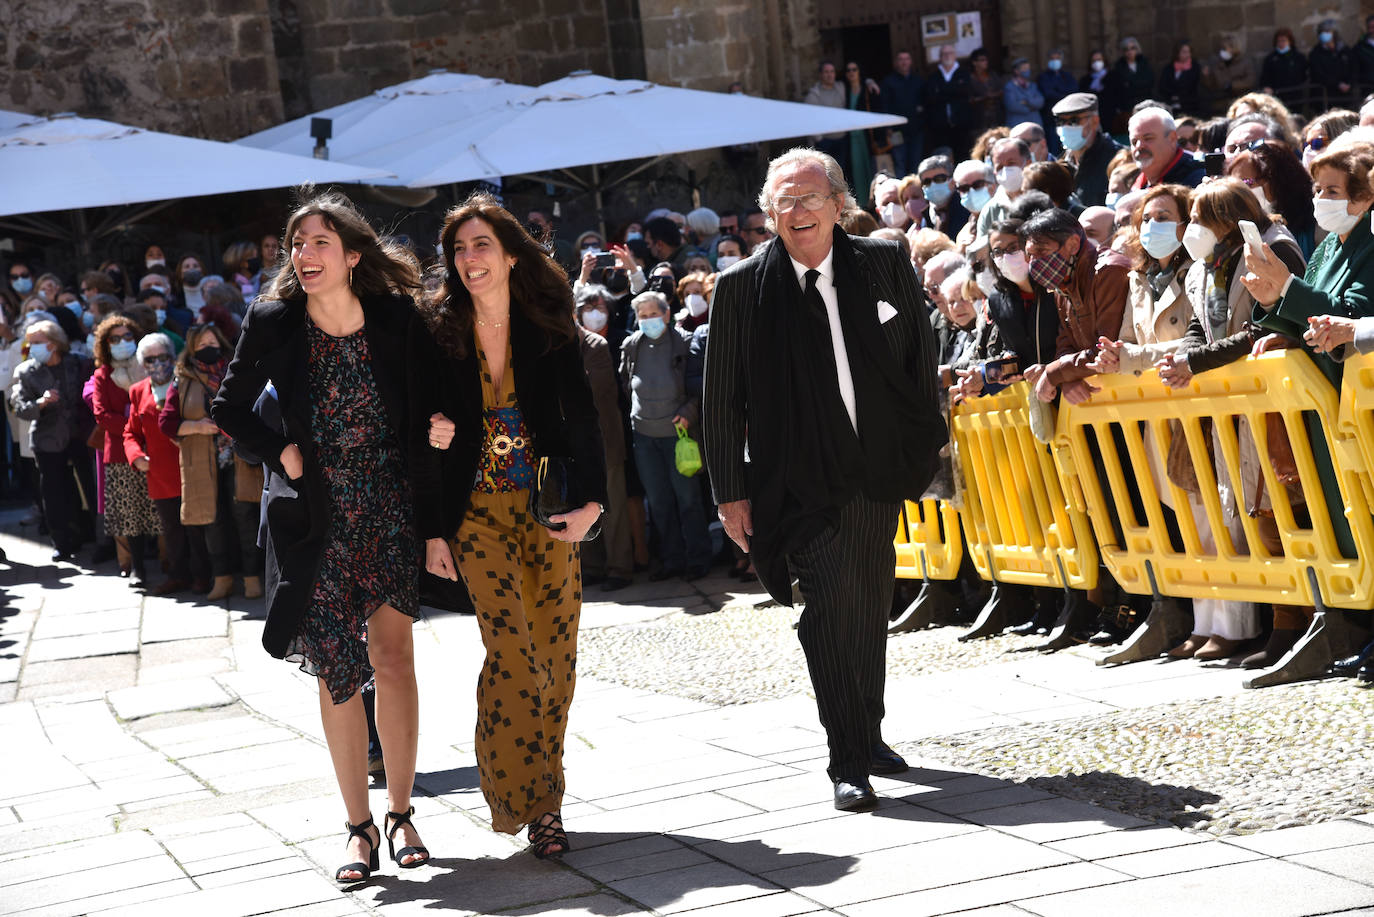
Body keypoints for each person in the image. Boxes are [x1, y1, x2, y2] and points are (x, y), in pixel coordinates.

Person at [703, 147, 944, 812]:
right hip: (795, 481)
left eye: (809, 197)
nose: (797, 209)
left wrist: (924, 447)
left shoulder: (886, 262)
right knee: (826, 609)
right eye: (783, 200)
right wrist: (730, 493)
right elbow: (721, 401)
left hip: (877, 469)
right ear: (767, 215)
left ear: (840, 206)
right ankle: (846, 757)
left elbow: (920, 364)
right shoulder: (740, 289)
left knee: (867, 603)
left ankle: (867, 730)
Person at [211, 191, 433, 883]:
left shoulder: (396, 316)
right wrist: (281, 451)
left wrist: (441, 428)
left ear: (352, 254)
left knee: (392, 660)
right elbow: (229, 405)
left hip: (389, 505)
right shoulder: (276, 321)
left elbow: (433, 393)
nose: (303, 254)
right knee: (339, 669)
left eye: (318, 242)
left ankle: (400, 813)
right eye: (296, 244)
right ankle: (358, 828)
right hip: (318, 517)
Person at [417, 192, 604, 859]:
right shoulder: (435, 327)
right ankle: (534, 803)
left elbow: (582, 415)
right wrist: (434, 524)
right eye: (459, 249)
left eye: (481, 246)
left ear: (510, 253)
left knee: (556, 659)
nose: (469, 260)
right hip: (475, 518)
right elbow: (413, 416)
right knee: (515, 656)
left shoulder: (544, 320)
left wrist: (593, 502)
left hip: (546, 511)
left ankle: (540, 790)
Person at [1152, 178, 1306, 666]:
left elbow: (1271, 322)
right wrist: (1188, 358)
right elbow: (1200, 322)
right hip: (1231, 406)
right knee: (1253, 511)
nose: (1190, 227)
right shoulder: (1206, 266)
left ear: (1225, 216)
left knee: (1281, 508)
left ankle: (1292, 623)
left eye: (1199, 217)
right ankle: (1280, 622)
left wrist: (1197, 363)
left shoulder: (1270, 248)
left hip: (1271, 400)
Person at [619, 290, 710, 580]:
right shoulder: (631, 345)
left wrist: (688, 412)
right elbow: (626, 383)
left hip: (679, 435)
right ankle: (671, 560)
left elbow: (701, 387)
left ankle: (698, 558)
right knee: (658, 502)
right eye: (642, 316)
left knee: (688, 499)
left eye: (653, 314)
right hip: (644, 436)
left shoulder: (685, 342)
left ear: (666, 314)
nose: (648, 320)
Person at [8, 320, 96, 561]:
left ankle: (95, 536)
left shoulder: (77, 362)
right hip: (48, 439)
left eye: (38, 342)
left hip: (80, 435)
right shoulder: (27, 371)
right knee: (54, 492)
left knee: (90, 486)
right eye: (30, 342)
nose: (32, 347)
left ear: (54, 343)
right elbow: (20, 409)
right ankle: (62, 542)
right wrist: (41, 403)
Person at [1024, 207, 1130, 406]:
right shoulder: (1061, 285)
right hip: (1103, 402)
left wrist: (1055, 373)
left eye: (1041, 252)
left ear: (1073, 244)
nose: (1034, 263)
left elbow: (1107, 349)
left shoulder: (1109, 271)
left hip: (1131, 396)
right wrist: (1066, 380)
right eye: (1030, 255)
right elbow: (1065, 344)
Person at [90, 314, 160, 584]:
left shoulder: (151, 367)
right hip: (120, 450)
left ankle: (168, 562)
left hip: (155, 446)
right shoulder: (102, 375)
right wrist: (135, 424)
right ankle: (136, 567)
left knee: (160, 509)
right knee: (130, 514)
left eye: (127, 337)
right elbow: (102, 416)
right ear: (106, 344)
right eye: (115, 338)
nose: (122, 342)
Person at [122, 332, 190, 594]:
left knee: (199, 527)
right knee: (172, 530)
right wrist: (136, 456)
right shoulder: (138, 391)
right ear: (143, 363)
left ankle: (205, 575)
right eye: (150, 359)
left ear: (172, 357)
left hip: (190, 467)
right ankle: (178, 575)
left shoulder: (186, 382)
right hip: (160, 473)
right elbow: (131, 432)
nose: (157, 363)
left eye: (163, 357)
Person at [575, 293, 633, 593]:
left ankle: (620, 567)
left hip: (605, 441)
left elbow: (597, 393)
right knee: (581, 504)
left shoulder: (595, 345)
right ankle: (593, 566)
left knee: (614, 508)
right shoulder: (555, 348)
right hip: (576, 445)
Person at [1225, 140, 1317, 256]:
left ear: (1276, 179)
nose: (1238, 192)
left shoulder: (1316, 225)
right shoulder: (1238, 229)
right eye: (1235, 185)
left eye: (1246, 182)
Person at [1053, 92, 1122, 207]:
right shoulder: (1061, 164)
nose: (1066, 127)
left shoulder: (1117, 159)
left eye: (1073, 121)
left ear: (1094, 122)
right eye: (1060, 121)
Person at [1129, 107, 1206, 189]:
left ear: (1172, 139)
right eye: (1134, 142)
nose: (1139, 146)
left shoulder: (1197, 180)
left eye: (1148, 138)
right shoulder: (1133, 181)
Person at [976, 138, 1033, 237]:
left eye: (1011, 163)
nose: (1006, 171)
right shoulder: (991, 210)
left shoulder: (1045, 198)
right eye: (999, 167)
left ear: (1028, 163)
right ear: (994, 171)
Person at [879, 50, 923, 175]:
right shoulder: (888, 82)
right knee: (899, 163)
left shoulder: (918, 81)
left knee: (915, 163)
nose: (904, 62)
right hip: (896, 131)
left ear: (911, 62)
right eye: (901, 59)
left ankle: (915, 192)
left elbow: (924, 103)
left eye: (907, 59)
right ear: (896, 63)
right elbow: (884, 105)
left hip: (916, 130)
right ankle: (901, 193)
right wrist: (888, 127)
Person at [925, 44, 973, 157]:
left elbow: (965, 92)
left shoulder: (964, 73)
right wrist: (955, 90)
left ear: (955, 55)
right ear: (940, 57)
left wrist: (942, 91)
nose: (947, 56)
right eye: (944, 54)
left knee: (963, 155)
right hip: (941, 126)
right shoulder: (933, 76)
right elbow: (932, 97)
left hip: (961, 124)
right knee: (943, 156)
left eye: (950, 53)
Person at [842, 62, 881, 196]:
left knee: (870, 168)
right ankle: (863, 201)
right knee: (857, 170)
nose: (851, 72)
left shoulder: (868, 89)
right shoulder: (844, 90)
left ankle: (874, 198)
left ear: (859, 72)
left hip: (867, 137)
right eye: (848, 70)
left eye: (854, 69)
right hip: (852, 138)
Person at [804, 61, 848, 172]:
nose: (830, 75)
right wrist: (820, 139)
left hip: (842, 139)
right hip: (825, 142)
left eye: (832, 71)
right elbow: (808, 119)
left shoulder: (841, 88)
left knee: (840, 173)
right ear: (820, 75)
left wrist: (869, 81)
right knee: (826, 174)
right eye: (826, 72)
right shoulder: (813, 95)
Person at [917, 155, 967, 238]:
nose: (933, 184)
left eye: (939, 179)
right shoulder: (925, 215)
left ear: (953, 181)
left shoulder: (966, 208)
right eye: (927, 181)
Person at [1309, 20, 1354, 108]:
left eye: (1327, 31)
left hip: (1345, 97)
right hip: (1325, 97)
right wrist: (1337, 84)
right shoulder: (1315, 53)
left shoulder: (1345, 50)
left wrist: (1349, 83)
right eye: (1322, 32)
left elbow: (1353, 68)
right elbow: (1317, 73)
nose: (1324, 34)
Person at [1113, 37, 1156, 124]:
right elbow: (1118, 88)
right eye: (1126, 49)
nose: (1130, 52)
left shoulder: (1144, 63)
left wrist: (1131, 83)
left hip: (1144, 103)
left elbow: (1149, 82)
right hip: (1127, 107)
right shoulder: (1119, 67)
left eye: (1133, 48)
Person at [1260, 28, 1308, 107]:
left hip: (1295, 96)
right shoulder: (1270, 59)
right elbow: (1265, 77)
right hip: (1277, 96)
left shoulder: (1298, 57)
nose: (1281, 43)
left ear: (1290, 41)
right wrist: (1267, 87)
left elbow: (1303, 75)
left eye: (1284, 40)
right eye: (1279, 41)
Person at [1038, 48, 1078, 140]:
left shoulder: (1067, 76)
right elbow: (1048, 94)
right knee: (1054, 143)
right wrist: (1065, 94)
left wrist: (1057, 90)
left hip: (1068, 115)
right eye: (1053, 59)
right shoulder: (1043, 77)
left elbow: (1074, 90)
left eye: (1057, 58)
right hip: (1051, 116)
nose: (1055, 61)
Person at [1157, 40, 1205, 115]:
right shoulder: (1169, 68)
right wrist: (1172, 95)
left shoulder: (1195, 67)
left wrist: (1180, 96)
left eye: (1188, 52)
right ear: (1177, 53)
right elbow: (1163, 86)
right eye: (1184, 52)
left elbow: (1193, 86)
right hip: (1171, 105)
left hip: (1189, 106)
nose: (1187, 55)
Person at [1204, 36, 1255, 104]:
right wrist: (1206, 76)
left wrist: (1232, 85)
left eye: (1224, 48)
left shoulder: (1245, 62)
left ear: (1234, 48)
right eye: (1221, 48)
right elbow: (1211, 85)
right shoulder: (1217, 62)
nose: (1222, 51)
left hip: (1241, 99)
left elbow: (1250, 81)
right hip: (1221, 101)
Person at [967, 47, 1002, 132]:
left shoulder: (992, 75)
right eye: (982, 60)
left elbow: (1001, 91)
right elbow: (968, 99)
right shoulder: (969, 79)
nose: (986, 62)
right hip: (978, 118)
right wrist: (984, 97)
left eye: (986, 59)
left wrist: (994, 95)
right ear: (974, 62)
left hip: (995, 116)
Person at [1003, 58, 1044, 128]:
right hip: (1018, 124)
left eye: (1028, 68)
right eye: (1024, 68)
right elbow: (1012, 105)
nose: (1027, 71)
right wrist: (1031, 108)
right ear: (1016, 71)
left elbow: (1040, 101)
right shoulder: (1009, 87)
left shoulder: (1033, 85)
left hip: (1035, 123)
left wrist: (1027, 102)